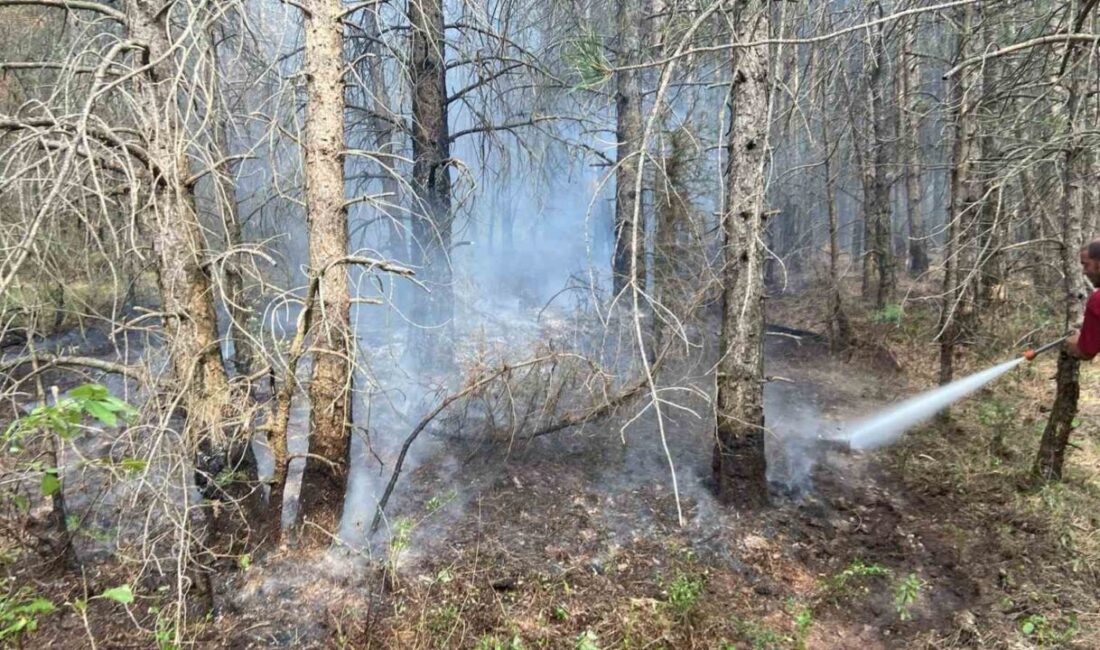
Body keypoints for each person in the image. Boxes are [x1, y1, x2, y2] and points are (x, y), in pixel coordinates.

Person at [1066, 239, 1100, 360]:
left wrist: (1074, 342)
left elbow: (1086, 352)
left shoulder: (1097, 300)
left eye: (1086, 264)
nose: (1084, 271)